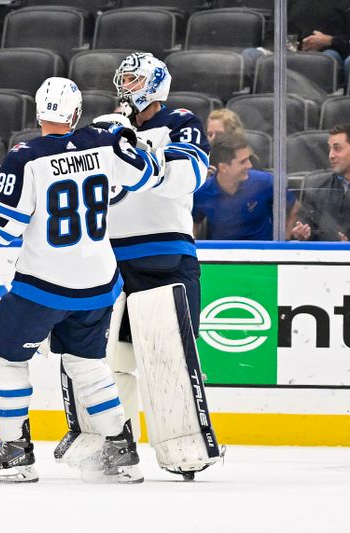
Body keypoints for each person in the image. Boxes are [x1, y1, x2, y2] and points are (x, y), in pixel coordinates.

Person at [0, 76, 166, 484]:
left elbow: (1, 229)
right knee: (88, 364)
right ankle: (120, 447)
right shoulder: (104, 143)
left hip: (45, 284)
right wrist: (128, 137)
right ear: (77, 114)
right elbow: (149, 175)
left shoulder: (25, 156)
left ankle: (15, 452)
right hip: (100, 283)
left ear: (39, 113)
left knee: (6, 354)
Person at [56, 52, 222, 479]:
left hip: (166, 256)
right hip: (110, 260)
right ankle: (113, 445)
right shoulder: (106, 128)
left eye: (133, 78)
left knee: (170, 359)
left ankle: (185, 448)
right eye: (123, 78)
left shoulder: (180, 121)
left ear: (154, 83)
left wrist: (138, 159)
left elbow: (187, 177)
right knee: (110, 360)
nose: (124, 85)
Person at [194, 131, 298, 240]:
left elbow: (294, 206)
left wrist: (285, 240)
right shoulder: (202, 192)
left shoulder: (265, 182)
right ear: (223, 168)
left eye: (249, 159)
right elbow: (192, 222)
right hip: (223, 253)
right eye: (243, 161)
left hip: (263, 253)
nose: (250, 165)